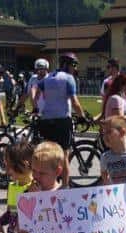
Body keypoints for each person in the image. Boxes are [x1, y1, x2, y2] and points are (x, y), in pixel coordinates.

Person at [34, 52, 86, 187]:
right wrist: (82, 117)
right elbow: (75, 102)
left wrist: (36, 109)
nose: (75, 68)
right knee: (64, 156)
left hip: (46, 121)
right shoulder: (69, 78)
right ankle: (65, 188)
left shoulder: (48, 77)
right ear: (67, 64)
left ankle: (49, 185)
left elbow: (36, 95)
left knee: (49, 155)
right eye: (74, 65)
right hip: (62, 121)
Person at [100, 115, 126, 185]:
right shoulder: (105, 157)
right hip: (117, 191)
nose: (105, 136)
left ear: (122, 132)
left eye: (109, 132)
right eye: (103, 133)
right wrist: (108, 184)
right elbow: (104, 173)